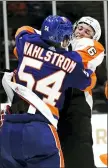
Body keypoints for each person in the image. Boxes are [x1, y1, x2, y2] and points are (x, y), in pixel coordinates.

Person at [0, 15, 92, 168]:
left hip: (8, 125)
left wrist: (42, 38)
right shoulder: (72, 60)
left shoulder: (25, 41)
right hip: (40, 128)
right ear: (63, 38)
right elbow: (86, 82)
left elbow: (22, 30)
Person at [58, 16, 105, 168]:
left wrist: (52, 58)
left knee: (79, 144)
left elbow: (75, 60)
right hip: (57, 97)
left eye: (88, 31)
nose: (82, 32)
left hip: (78, 100)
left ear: (93, 36)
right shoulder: (63, 43)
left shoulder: (94, 45)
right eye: (80, 28)